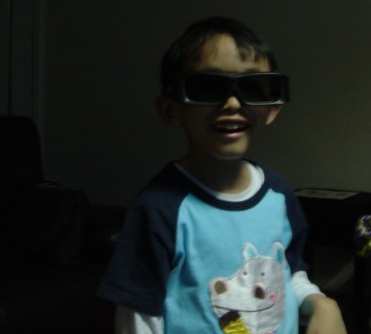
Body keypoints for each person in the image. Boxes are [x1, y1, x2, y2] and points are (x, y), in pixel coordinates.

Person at [97, 17, 347, 334]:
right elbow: (139, 315)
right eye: (207, 87)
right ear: (171, 110)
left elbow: (288, 275)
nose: (232, 102)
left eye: (252, 87)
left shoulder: (279, 195)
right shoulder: (159, 208)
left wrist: (320, 303)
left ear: (272, 108)